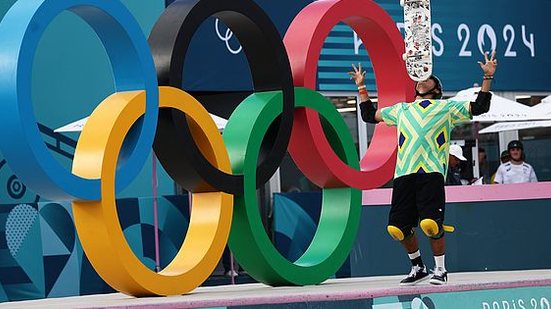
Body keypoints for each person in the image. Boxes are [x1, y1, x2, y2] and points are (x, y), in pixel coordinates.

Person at [348, 51, 497, 285]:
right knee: (397, 228)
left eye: (428, 77)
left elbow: (480, 106)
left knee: (430, 224)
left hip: (431, 172)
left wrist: (487, 77)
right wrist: (362, 87)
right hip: (403, 173)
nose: (421, 78)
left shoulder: (446, 108)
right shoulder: (401, 110)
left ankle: (440, 269)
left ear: (436, 88)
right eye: (419, 78)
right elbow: (368, 115)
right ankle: (418, 266)